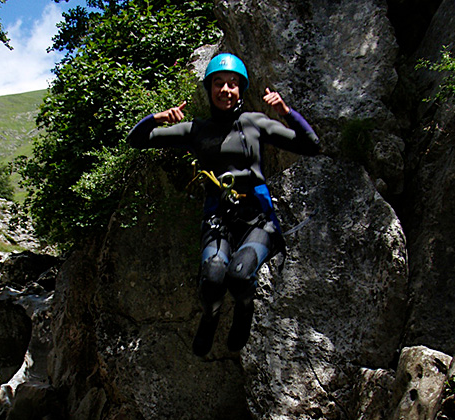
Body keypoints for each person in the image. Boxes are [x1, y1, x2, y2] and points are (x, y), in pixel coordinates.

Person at [127, 53, 320, 356]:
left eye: (233, 84)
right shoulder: (196, 130)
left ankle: (244, 310)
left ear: (241, 90)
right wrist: (156, 118)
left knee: (240, 276)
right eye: (219, 83)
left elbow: (311, 145)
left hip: (258, 218)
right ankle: (211, 314)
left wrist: (285, 111)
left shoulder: (255, 123)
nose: (226, 90)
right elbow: (136, 140)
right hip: (218, 216)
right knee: (213, 278)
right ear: (210, 89)